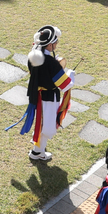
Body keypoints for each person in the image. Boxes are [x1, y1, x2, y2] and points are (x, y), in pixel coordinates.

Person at [23, 25, 73, 162]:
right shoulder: (51, 63)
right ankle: (37, 152)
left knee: (41, 121)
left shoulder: (33, 54)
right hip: (49, 97)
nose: (57, 44)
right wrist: (70, 75)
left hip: (37, 94)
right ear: (50, 44)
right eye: (56, 42)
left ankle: (37, 144)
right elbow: (66, 84)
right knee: (47, 126)